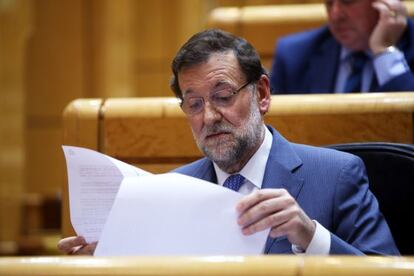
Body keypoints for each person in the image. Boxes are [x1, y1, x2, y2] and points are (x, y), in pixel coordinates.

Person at [58, 29, 399, 255]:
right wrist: (111, 261)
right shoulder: (172, 191)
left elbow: (387, 272)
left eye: (222, 96)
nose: (208, 117)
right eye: (194, 104)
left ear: (262, 94)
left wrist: (311, 237)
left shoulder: (337, 177)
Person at [270, 0, 414, 94]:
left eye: (348, 1)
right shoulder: (293, 55)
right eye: (329, 3)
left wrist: (385, 51)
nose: (335, 15)